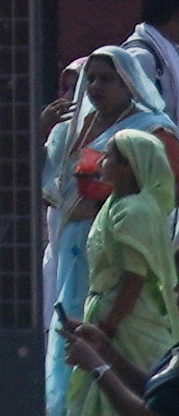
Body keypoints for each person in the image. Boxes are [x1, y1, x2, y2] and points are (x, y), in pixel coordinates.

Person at [73, 129, 179, 416]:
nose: (101, 162)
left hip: (129, 323)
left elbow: (135, 278)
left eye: (109, 157)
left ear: (127, 166)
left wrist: (108, 329)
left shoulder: (133, 212)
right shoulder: (116, 204)